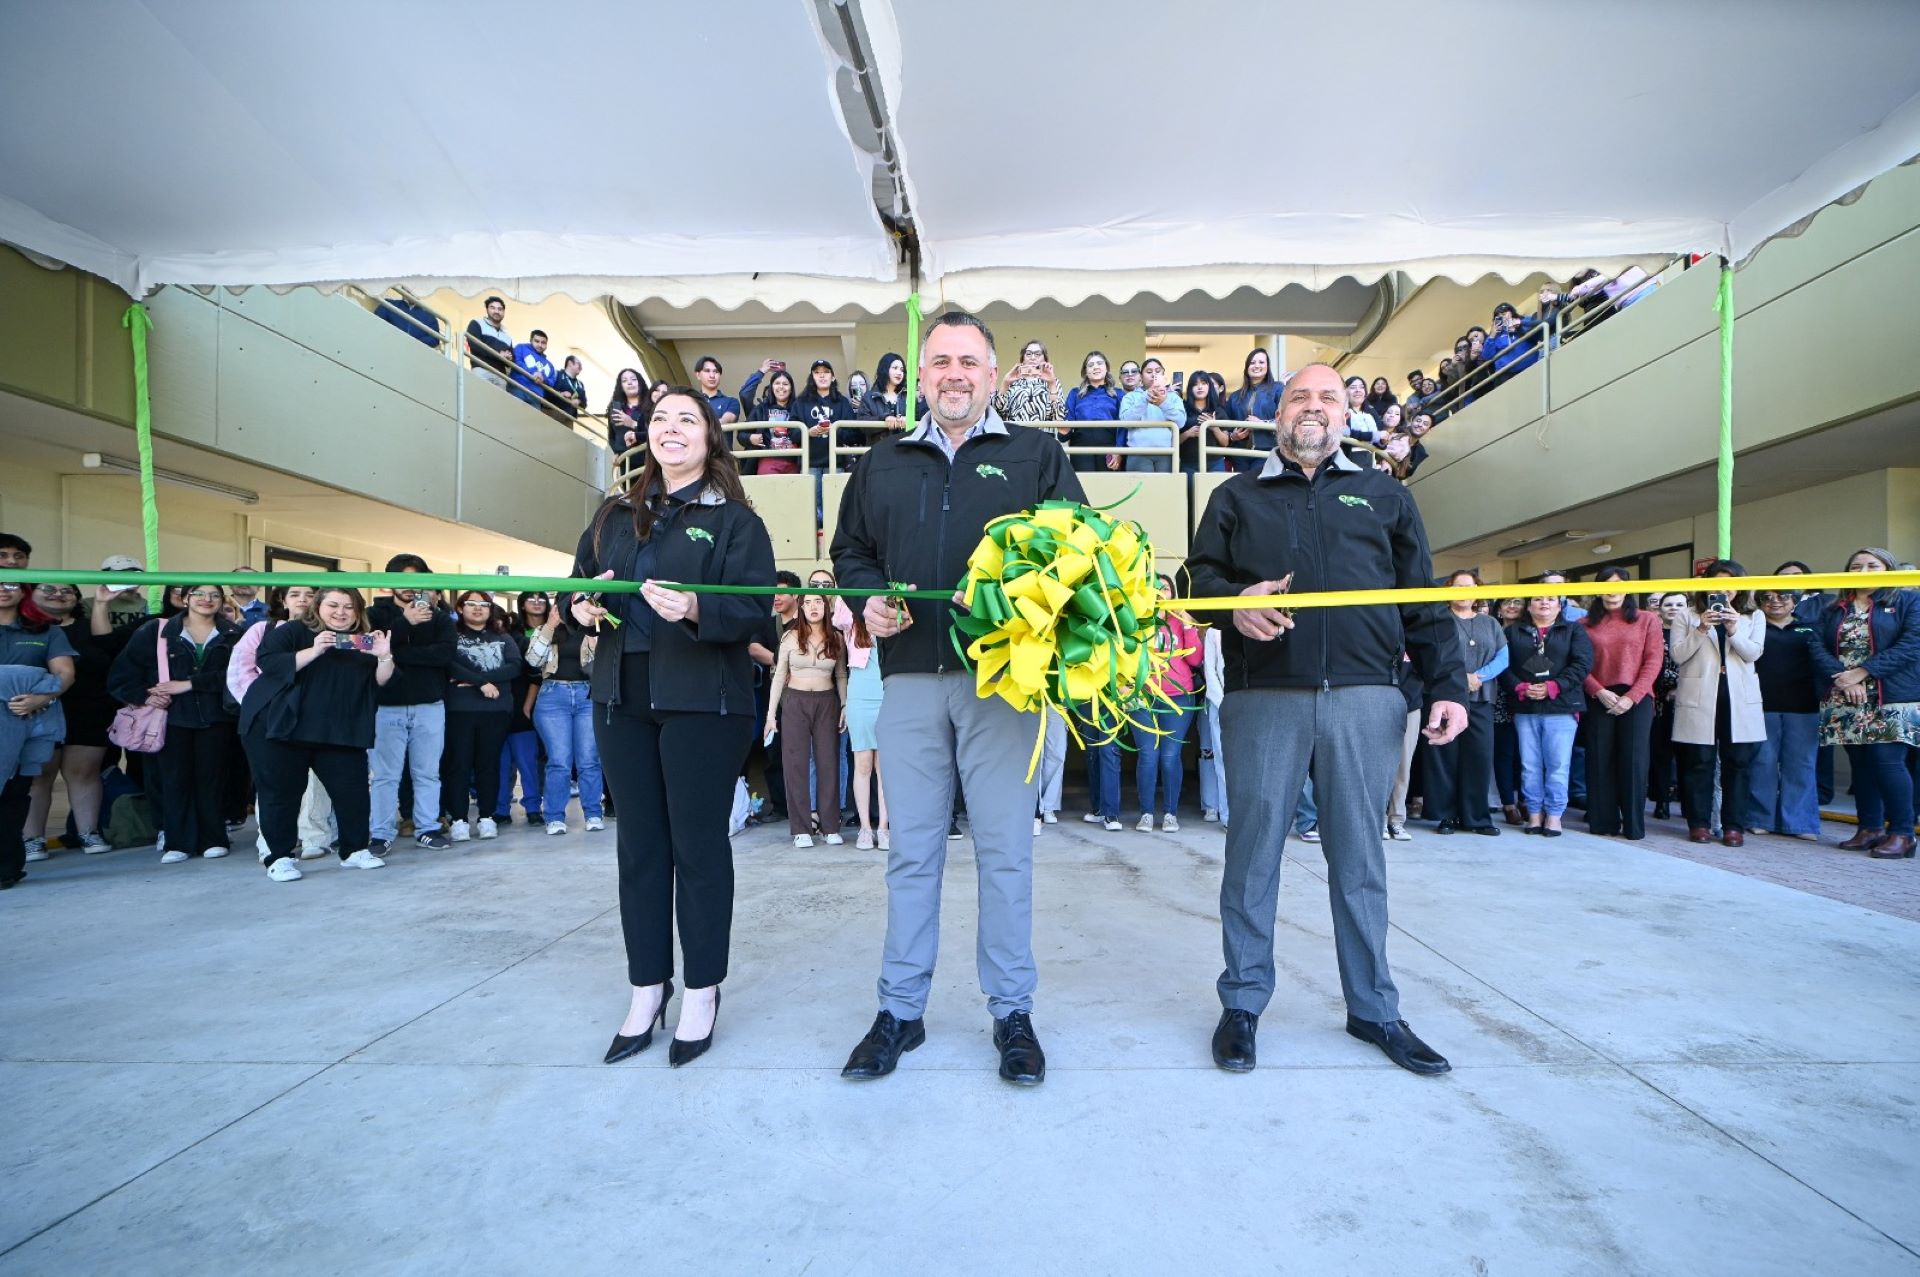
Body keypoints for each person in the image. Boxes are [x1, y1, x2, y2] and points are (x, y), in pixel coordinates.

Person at [1187, 362, 1467, 1077]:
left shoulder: (1385, 495)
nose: (1313, 408)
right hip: (1263, 700)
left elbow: (1424, 600)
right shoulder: (1235, 495)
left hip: (1366, 697)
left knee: (1360, 859)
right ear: (1276, 415)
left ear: (1349, 415)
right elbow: (1196, 584)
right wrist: (1232, 601)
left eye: (1328, 398)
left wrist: (1449, 685)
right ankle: (1243, 1002)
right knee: (1252, 857)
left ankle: (1374, 1007)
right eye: (1298, 397)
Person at [831, 309, 1087, 1085]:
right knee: (911, 853)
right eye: (939, 360)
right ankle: (900, 1011)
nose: (953, 374)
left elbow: (1076, 545)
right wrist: (867, 598)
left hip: (1001, 685)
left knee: (1005, 852)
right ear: (919, 372)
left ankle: (1012, 1011)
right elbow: (851, 549)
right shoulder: (881, 463)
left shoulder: (1036, 455)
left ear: (993, 373)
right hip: (908, 680)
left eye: (968, 361)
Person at [565, 386, 776, 1067]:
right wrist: (583, 612)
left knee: (698, 850)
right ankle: (645, 988)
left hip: (703, 701)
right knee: (640, 850)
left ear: (710, 438)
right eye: (660, 419)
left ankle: (702, 991)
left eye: (687, 418)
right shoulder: (613, 516)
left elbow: (754, 611)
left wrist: (693, 608)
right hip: (621, 694)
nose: (671, 428)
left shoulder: (736, 522)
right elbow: (575, 589)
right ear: (646, 436)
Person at [240, 587, 395, 880]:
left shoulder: (362, 640)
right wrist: (315, 649)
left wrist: (383, 656)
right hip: (280, 727)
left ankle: (354, 850)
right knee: (281, 794)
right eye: (333, 605)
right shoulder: (293, 631)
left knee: (353, 792)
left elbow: (379, 682)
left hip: (338, 728)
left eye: (349, 607)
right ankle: (279, 857)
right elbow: (269, 663)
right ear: (317, 607)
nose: (341, 612)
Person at [107, 582, 241, 863]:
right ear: (184, 599)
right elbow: (122, 675)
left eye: (215, 595)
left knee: (213, 779)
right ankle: (176, 841)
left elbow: (238, 675)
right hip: (169, 718)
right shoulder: (155, 631)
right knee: (171, 780)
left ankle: (214, 838)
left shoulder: (233, 633)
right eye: (199, 594)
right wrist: (146, 697)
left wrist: (189, 684)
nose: (207, 599)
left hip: (217, 718)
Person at [1816, 548, 1918, 858]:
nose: (1863, 571)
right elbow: (1815, 644)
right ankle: (1870, 827)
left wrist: (1863, 672)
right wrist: (1843, 678)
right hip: (1844, 692)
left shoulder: (1907, 600)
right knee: (1860, 765)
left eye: (1872, 565)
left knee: (1887, 762)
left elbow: (1913, 644)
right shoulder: (1835, 607)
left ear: (1889, 569)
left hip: (1891, 694)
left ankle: (1903, 833)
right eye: (1856, 566)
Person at [20, 583, 120, 858]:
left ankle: (88, 833)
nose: (58, 594)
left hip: (89, 708)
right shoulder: (22, 628)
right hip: (38, 710)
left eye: (67, 590)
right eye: (48, 589)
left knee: (84, 774)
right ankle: (32, 839)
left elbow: (107, 649)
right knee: (38, 777)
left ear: (77, 598)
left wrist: (101, 603)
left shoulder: (91, 624)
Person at [1671, 562, 1765, 847]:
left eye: (1730, 583)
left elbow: (1753, 654)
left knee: (1738, 763)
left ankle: (1733, 826)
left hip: (1739, 699)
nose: (1723, 590)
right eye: (1717, 583)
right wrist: (1701, 628)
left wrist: (1734, 629)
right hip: (1700, 696)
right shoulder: (1686, 615)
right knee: (1698, 762)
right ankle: (1698, 824)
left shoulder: (1753, 616)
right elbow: (1678, 655)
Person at [366, 556, 455, 852]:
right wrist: (405, 624)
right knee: (384, 775)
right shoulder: (374, 614)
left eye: (417, 579)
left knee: (427, 772)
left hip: (429, 704)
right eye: (402, 579)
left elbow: (443, 656)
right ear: (389, 582)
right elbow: (372, 649)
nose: (410, 587)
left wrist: (398, 650)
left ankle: (427, 827)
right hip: (386, 705)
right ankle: (381, 832)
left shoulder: (440, 617)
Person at [1579, 568, 1665, 839]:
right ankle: (1603, 822)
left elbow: (1653, 660)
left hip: (1636, 698)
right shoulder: (1583, 625)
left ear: (1629, 588)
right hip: (1599, 696)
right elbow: (1579, 665)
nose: (1612, 589)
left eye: (1618, 584)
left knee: (1634, 762)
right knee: (1600, 759)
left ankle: (1633, 825)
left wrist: (1633, 696)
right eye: (1605, 584)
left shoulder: (1647, 620)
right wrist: (1598, 691)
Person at [0, 578, 75, 888]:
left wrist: (42, 698)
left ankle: (6, 867)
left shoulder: (45, 630)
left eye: (11, 584)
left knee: (13, 795)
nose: (4, 589)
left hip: (24, 725)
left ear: (23, 591)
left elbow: (65, 673)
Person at [1502, 593, 1593, 836]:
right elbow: (1504, 665)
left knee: (1558, 765)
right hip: (1526, 707)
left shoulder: (1573, 630)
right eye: (1538, 599)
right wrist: (1520, 687)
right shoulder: (1513, 632)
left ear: (1559, 605)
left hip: (1561, 707)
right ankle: (1534, 814)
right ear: (1528, 606)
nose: (1544, 603)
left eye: (1551, 599)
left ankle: (1554, 815)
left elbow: (1582, 664)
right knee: (1529, 765)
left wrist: (1555, 686)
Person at [1422, 570, 1505, 835]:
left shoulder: (1490, 623)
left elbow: (1503, 657)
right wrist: (1460, 677)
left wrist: (1478, 677)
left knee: (1479, 756)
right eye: (1458, 587)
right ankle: (1446, 816)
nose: (1464, 592)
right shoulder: (1439, 620)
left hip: (1481, 697)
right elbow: (1431, 654)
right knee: (1445, 756)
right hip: (1446, 696)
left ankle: (1477, 817)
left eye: (1469, 587)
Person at [766, 591, 848, 847]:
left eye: (818, 602)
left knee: (828, 763)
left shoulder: (836, 637)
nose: (813, 607)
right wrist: (770, 715)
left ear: (826, 606)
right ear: (801, 608)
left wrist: (844, 705)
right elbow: (779, 675)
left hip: (827, 702)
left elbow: (841, 675)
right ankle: (801, 828)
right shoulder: (790, 636)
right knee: (796, 763)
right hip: (795, 702)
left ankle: (830, 826)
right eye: (808, 602)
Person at [440, 590, 522, 842]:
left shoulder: (503, 636)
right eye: (471, 604)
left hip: (495, 711)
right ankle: (459, 819)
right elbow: (450, 663)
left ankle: (487, 817)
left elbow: (515, 666)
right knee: (459, 765)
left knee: (488, 765)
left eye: (483, 605)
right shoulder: (451, 634)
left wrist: (478, 681)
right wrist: (481, 683)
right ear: (461, 608)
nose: (477, 609)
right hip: (460, 710)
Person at [1747, 586, 1827, 840]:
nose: (1775, 602)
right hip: (1760, 706)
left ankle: (1800, 823)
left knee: (1801, 765)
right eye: (1767, 598)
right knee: (1762, 763)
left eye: (1783, 597)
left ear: (1795, 601)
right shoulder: (1752, 628)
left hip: (1804, 706)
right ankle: (1760, 818)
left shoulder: (1811, 628)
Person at [525, 584, 604, 837]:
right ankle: (555, 816)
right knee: (559, 760)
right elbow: (533, 661)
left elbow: (601, 664)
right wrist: (549, 626)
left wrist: (594, 634)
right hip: (552, 697)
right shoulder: (545, 630)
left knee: (589, 760)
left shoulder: (593, 627)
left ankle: (593, 813)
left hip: (587, 695)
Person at [1129, 576, 1203, 830]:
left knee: (1170, 756)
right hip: (1143, 696)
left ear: (1174, 593)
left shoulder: (1180, 620)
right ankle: (1146, 813)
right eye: (1156, 588)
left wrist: (1188, 624)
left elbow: (1195, 661)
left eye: (1167, 588)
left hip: (1178, 696)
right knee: (1148, 755)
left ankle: (1170, 813)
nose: (1161, 592)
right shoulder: (1137, 620)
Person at [495, 593, 548, 828]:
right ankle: (500, 809)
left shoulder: (516, 642)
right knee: (501, 764)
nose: (496, 626)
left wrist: (527, 707)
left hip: (520, 711)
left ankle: (534, 809)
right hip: (494, 713)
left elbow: (533, 676)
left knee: (528, 763)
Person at [843, 607, 889, 850]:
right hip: (859, 697)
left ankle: (884, 828)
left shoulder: (890, 620)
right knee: (862, 763)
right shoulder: (850, 622)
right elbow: (838, 610)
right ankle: (864, 828)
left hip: (887, 695)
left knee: (885, 768)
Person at [1649, 591, 1688, 819]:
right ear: (1660, 609)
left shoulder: (1696, 631)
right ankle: (1661, 801)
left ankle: (1687, 802)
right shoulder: (1653, 632)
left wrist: (1680, 688)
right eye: (1668, 604)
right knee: (1660, 753)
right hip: (1658, 700)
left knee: (1687, 753)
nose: (1674, 607)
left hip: (1688, 698)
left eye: (1679, 604)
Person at [1491, 597, 1527, 822]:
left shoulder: (1532, 632)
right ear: (1499, 609)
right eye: (1506, 602)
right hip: (1499, 699)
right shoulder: (1492, 631)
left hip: (1528, 697)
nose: (1511, 606)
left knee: (1526, 755)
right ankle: (1508, 804)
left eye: (1517, 602)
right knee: (1504, 753)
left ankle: (1526, 801)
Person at [794, 359, 862, 474]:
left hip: (836, 463)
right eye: (817, 372)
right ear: (812, 378)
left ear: (833, 377)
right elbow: (792, 433)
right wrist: (808, 432)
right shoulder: (800, 402)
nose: (822, 376)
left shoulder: (843, 402)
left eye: (826, 372)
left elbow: (854, 435)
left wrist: (834, 430)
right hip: (809, 464)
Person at [1119, 357, 1186, 473]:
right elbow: (1126, 421)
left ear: (1163, 374)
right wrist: (1145, 397)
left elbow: (1181, 422)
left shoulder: (1173, 397)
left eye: (1158, 371)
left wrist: (1164, 403)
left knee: (1164, 491)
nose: (1153, 374)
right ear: (1141, 376)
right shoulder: (1130, 397)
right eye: (1149, 372)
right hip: (1138, 453)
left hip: (1167, 453)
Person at [1062, 351, 1124, 474]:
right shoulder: (1075, 393)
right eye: (1090, 365)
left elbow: (1123, 425)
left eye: (1100, 363)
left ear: (1106, 368)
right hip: (1081, 447)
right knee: (1085, 487)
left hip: (1109, 447)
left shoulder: (1118, 394)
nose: (1095, 367)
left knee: (1108, 488)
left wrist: (1119, 451)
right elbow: (1067, 423)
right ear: (1085, 371)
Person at [1224, 348, 1280, 471]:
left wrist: (1262, 423)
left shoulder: (1278, 389)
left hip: (1267, 453)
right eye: (1252, 362)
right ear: (1247, 367)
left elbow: (1287, 419)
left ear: (1267, 366)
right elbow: (1225, 427)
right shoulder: (1234, 397)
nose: (1256, 366)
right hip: (1240, 455)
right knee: (1243, 489)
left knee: (1259, 487)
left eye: (1261, 362)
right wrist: (1233, 436)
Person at [742, 369, 803, 476]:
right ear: (771, 387)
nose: (781, 387)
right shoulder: (761, 409)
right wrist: (750, 438)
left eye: (785, 384)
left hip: (795, 460)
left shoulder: (799, 408)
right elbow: (741, 435)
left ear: (791, 388)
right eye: (777, 383)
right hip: (769, 459)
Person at [995, 340, 1065, 424]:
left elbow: (1058, 418)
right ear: (1022, 359)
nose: (1032, 357)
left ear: (1045, 359)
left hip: (1043, 434)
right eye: (1028, 354)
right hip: (1015, 434)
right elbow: (998, 412)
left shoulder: (1053, 382)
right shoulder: (1012, 381)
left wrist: (1052, 384)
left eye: (1037, 354)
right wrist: (1005, 383)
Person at [1180, 371, 1225, 473]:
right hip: (1188, 463)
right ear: (1190, 388)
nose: (1200, 387)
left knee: (1216, 489)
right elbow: (1173, 441)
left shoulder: (1218, 410)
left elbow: (1225, 442)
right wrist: (1187, 434)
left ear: (1209, 387)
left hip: (1215, 463)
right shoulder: (1182, 409)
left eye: (1204, 383)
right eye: (1195, 384)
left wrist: (1214, 428)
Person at [465, 296, 513, 390]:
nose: (496, 311)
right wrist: (498, 355)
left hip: (501, 376)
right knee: (479, 400)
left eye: (500, 309)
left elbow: (511, 359)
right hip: (481, 370)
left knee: (498, 404)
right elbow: (475, 345)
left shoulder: (507, 337)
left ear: (503, 312)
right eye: (492, 307)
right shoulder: (477, 324)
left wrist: (509, 358)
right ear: (487, 309)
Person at [858, 353, 912, 429]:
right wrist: (883, 419)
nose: (899, 373)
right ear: (885, 369)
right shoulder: (869, 397)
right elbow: (862, 426)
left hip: (903, 440)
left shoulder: (908, 396)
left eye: (902, 370)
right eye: (895, 368)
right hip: (879, 441)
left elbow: (920, 421)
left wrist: (909, 421)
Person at [606, 368, 650, 455]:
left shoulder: (650, 405)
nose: (630, 382)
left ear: (640, 383)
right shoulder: (615, 408)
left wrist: (633, 423)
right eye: (624, 381)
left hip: (646, 457)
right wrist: (616, 452)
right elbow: (612, 436)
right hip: (625, 459)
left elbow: (655, 432)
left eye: (633, 379)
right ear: (621, 387)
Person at [510, 330, 555, 409]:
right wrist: (533, 373)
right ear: (531, 340)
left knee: (531, 421)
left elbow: (552, 382)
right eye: (537, 341)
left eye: (543, 343)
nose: (540, 345)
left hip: (536, 396)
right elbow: (516, 362)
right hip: (518, 388)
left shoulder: (549, 365)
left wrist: (543, 378)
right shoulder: (521, 347)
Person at [692, 356, 741, 425]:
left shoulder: (731, 402)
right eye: (707, 371)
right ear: (698, 375)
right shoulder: (691, 400)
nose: (712, 375)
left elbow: (726, 420)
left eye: (716, 372)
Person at [1343, 376, 1379, 444]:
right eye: (1353, 387)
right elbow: (1344, 432)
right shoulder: (1341, 412)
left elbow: (1378, 438)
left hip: (1370, 454)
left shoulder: (1371, 412)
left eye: (1361, 387)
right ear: (1344, 392)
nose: (1358, 390)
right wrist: (1371, 436)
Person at [551, 355, 588, 420]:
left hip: (569, 418)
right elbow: (546, 393)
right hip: (553, 414)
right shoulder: (557, 375)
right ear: (570, 363)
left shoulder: (580, 384)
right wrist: (561, 394)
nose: (581, 368)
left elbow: (584, 403)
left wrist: (579, 401)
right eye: (579, 364)